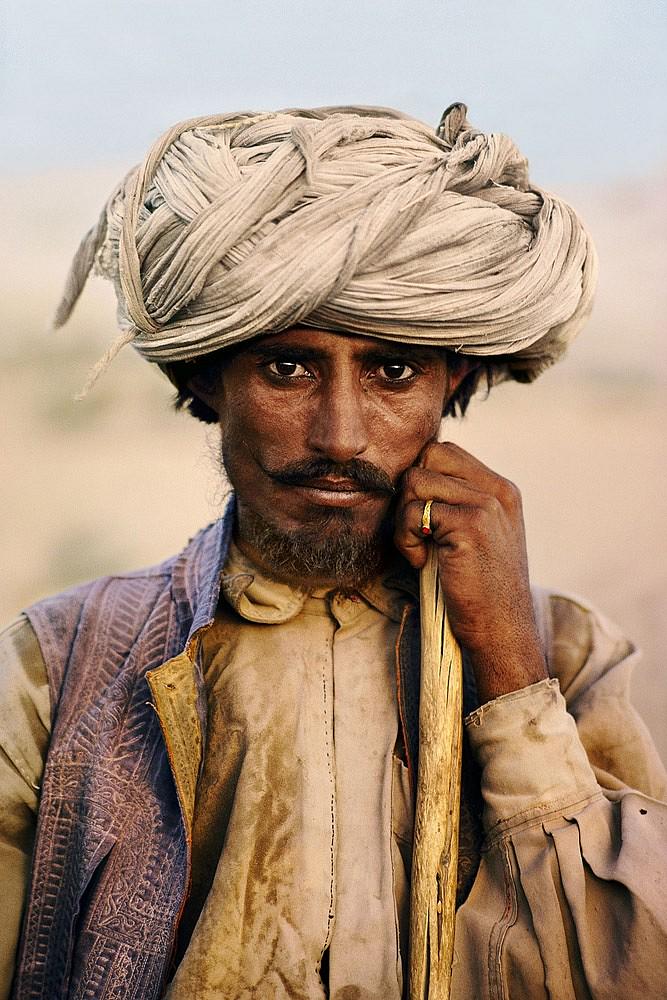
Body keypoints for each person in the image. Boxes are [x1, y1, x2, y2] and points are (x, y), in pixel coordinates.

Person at [1, 103, 666, 1000]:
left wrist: (509, 674)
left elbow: (628, 973)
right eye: (287, 367)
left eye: (393, 369)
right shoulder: (58, 665)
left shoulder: (568, 657)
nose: (341, 433)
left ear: (453, 378)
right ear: (204, 373)